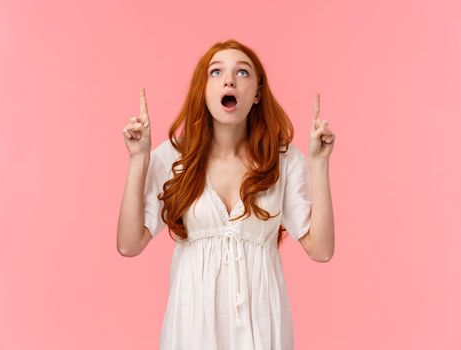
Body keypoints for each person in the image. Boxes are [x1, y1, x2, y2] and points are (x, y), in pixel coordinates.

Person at [116, 39, 336, 350]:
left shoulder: (282, 160)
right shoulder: (175, 158)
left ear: (257, 94)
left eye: (243, 73)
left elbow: (321, 249)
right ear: (203, 90)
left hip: (262, 328)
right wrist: (139, 158)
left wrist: (319, 163)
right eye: (216, 72)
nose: (229, 79)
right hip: (192, 329)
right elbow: (129, 243)